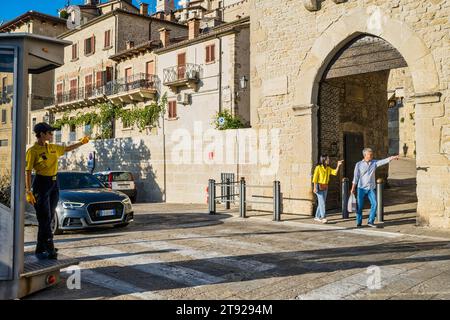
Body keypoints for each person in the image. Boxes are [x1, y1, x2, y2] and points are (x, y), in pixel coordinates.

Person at [25, 122, 90, 259]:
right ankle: (50, 247)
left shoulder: (53, 147)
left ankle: (40, 247)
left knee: (48, 218)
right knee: (44, 217)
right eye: (49, 132)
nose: (52, 134)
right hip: (41, 184)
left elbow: (66, 149)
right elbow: (28, 171)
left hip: (54, 183)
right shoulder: (32, 151)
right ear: (42, 134)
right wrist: (28, 191)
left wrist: (81, 143)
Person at [351, 148, 399, 228]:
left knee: (375, 203)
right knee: (360, 206)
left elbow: (383, 161)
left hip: (371, 188)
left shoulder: (374, 163)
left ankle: (370, 221)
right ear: (365, 155)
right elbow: (355, 178)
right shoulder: (358, 164)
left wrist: (392, 158)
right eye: (370, 154)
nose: (372, 155)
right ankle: (358, 222)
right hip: (361, 188)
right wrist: (353, 188)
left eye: (372, 154)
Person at [312, 155, 343, 223]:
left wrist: (338, 165)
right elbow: (315, 178)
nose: (329, 160)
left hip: (325, 186)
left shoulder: (328, 168)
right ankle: (323, 217)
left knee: (321, 202)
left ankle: (317, 216)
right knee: (322, 202)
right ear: (324, 160)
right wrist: (314, 187)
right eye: (327, 159)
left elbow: (334, 172)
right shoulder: (318, 167)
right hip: (318, 186)